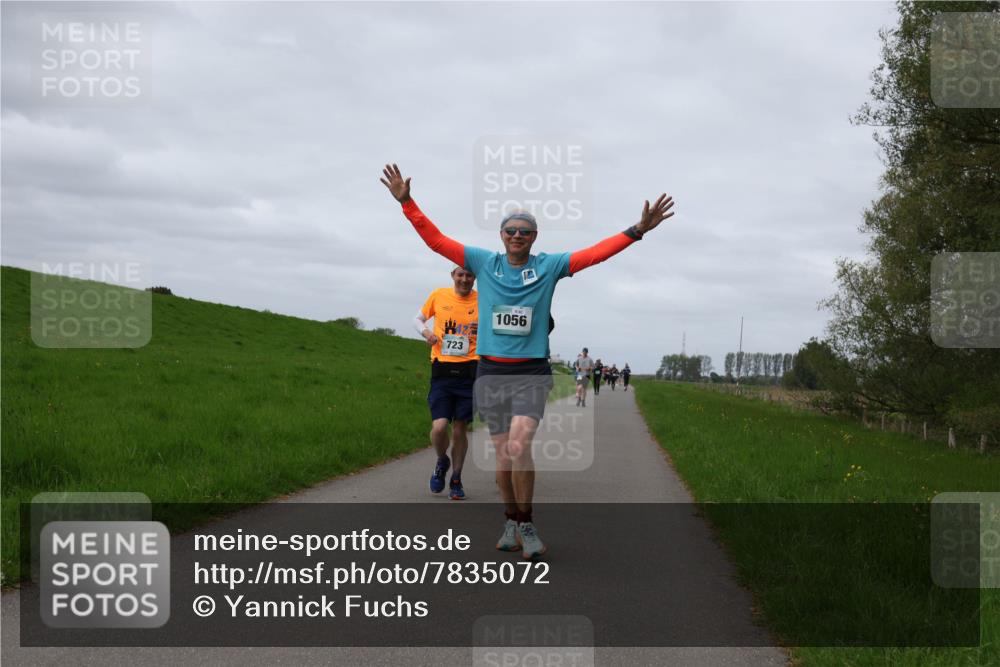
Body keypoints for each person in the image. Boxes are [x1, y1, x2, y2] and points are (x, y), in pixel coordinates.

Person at [381, 163, 675, 559]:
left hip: (530, 373)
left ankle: (528, 523)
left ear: (534, 237)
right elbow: (435, 241)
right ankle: (511, 521)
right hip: (490, 372)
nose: (517, 236)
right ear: (501, 236)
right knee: (504, 455)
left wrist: (636, 231)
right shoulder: (485, 263)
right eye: (510, 230)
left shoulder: (548, 266)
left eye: (525, 231)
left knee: (519, 445)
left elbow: (593, 255)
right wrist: (407, 203)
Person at [413, 266, 479, 500]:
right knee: (439, 427)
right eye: (460, 274)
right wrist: (426, 333)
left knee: (461, 429)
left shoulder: (483, 300)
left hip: (471, 371)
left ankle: (456, 478)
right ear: (453, 276)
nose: (464, 279)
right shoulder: (439, 295)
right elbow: (418, 319)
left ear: (474, 278)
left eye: (469, 275)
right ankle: (442, 460)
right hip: (442, 370)